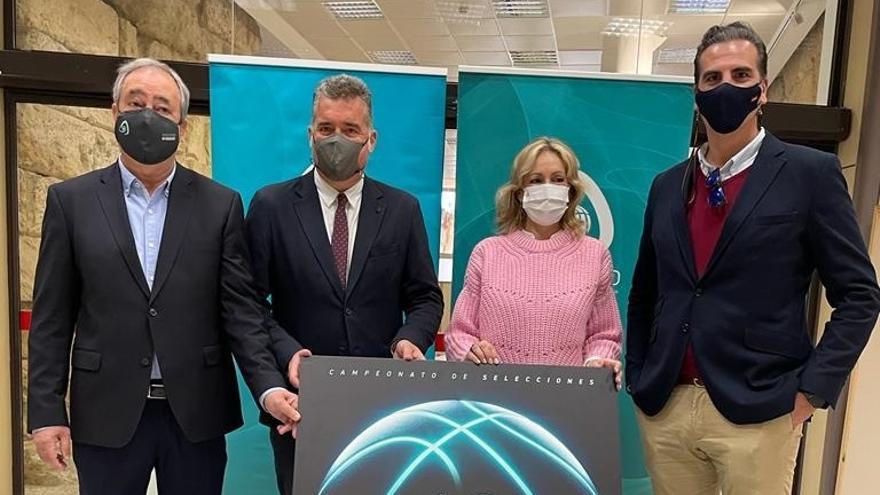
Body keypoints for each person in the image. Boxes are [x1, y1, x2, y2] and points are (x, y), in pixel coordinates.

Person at [625, 22, 880, 495]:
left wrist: (811, 392)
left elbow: (860, 296)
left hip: (762, 407)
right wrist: (639, 375)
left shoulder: (811, 174)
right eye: (712, 78)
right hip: (667, 406)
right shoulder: (667, 186)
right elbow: (646, 291)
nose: (726, 87)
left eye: (741, 76)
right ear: (697, 93)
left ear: (762, 90)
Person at [27, 58, 301, 495]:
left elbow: (241, 314)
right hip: (105, 411)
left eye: (162, 108)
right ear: (115, 113)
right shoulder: (70, 202)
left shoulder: (220, 205)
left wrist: (269, 389)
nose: (148, 117)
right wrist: (45, 413)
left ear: (183, 125)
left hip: (195, 415)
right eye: (136, 104)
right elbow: (51, 320)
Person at [244, 73, 444, 495]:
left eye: (350, 130)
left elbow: (424, 295)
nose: (337, 140)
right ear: (310, 135)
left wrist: (410, 338)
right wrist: (286, 352)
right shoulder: (272, 206)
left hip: (384, 404)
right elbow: (248, 303)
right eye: (326, 128)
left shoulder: (402, 210)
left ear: (371, 139)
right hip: (301, 403)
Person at [444, 137, 622, 387]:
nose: (547, 188)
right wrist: (469, 349)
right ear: (519, 192)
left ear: (571, 189)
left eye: (558, 179)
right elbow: (459, 333)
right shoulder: (487, 253)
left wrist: (597, 360)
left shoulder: (595, 254)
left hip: (568, 401)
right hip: (495, 400)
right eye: (536, 180)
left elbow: (605, 334)